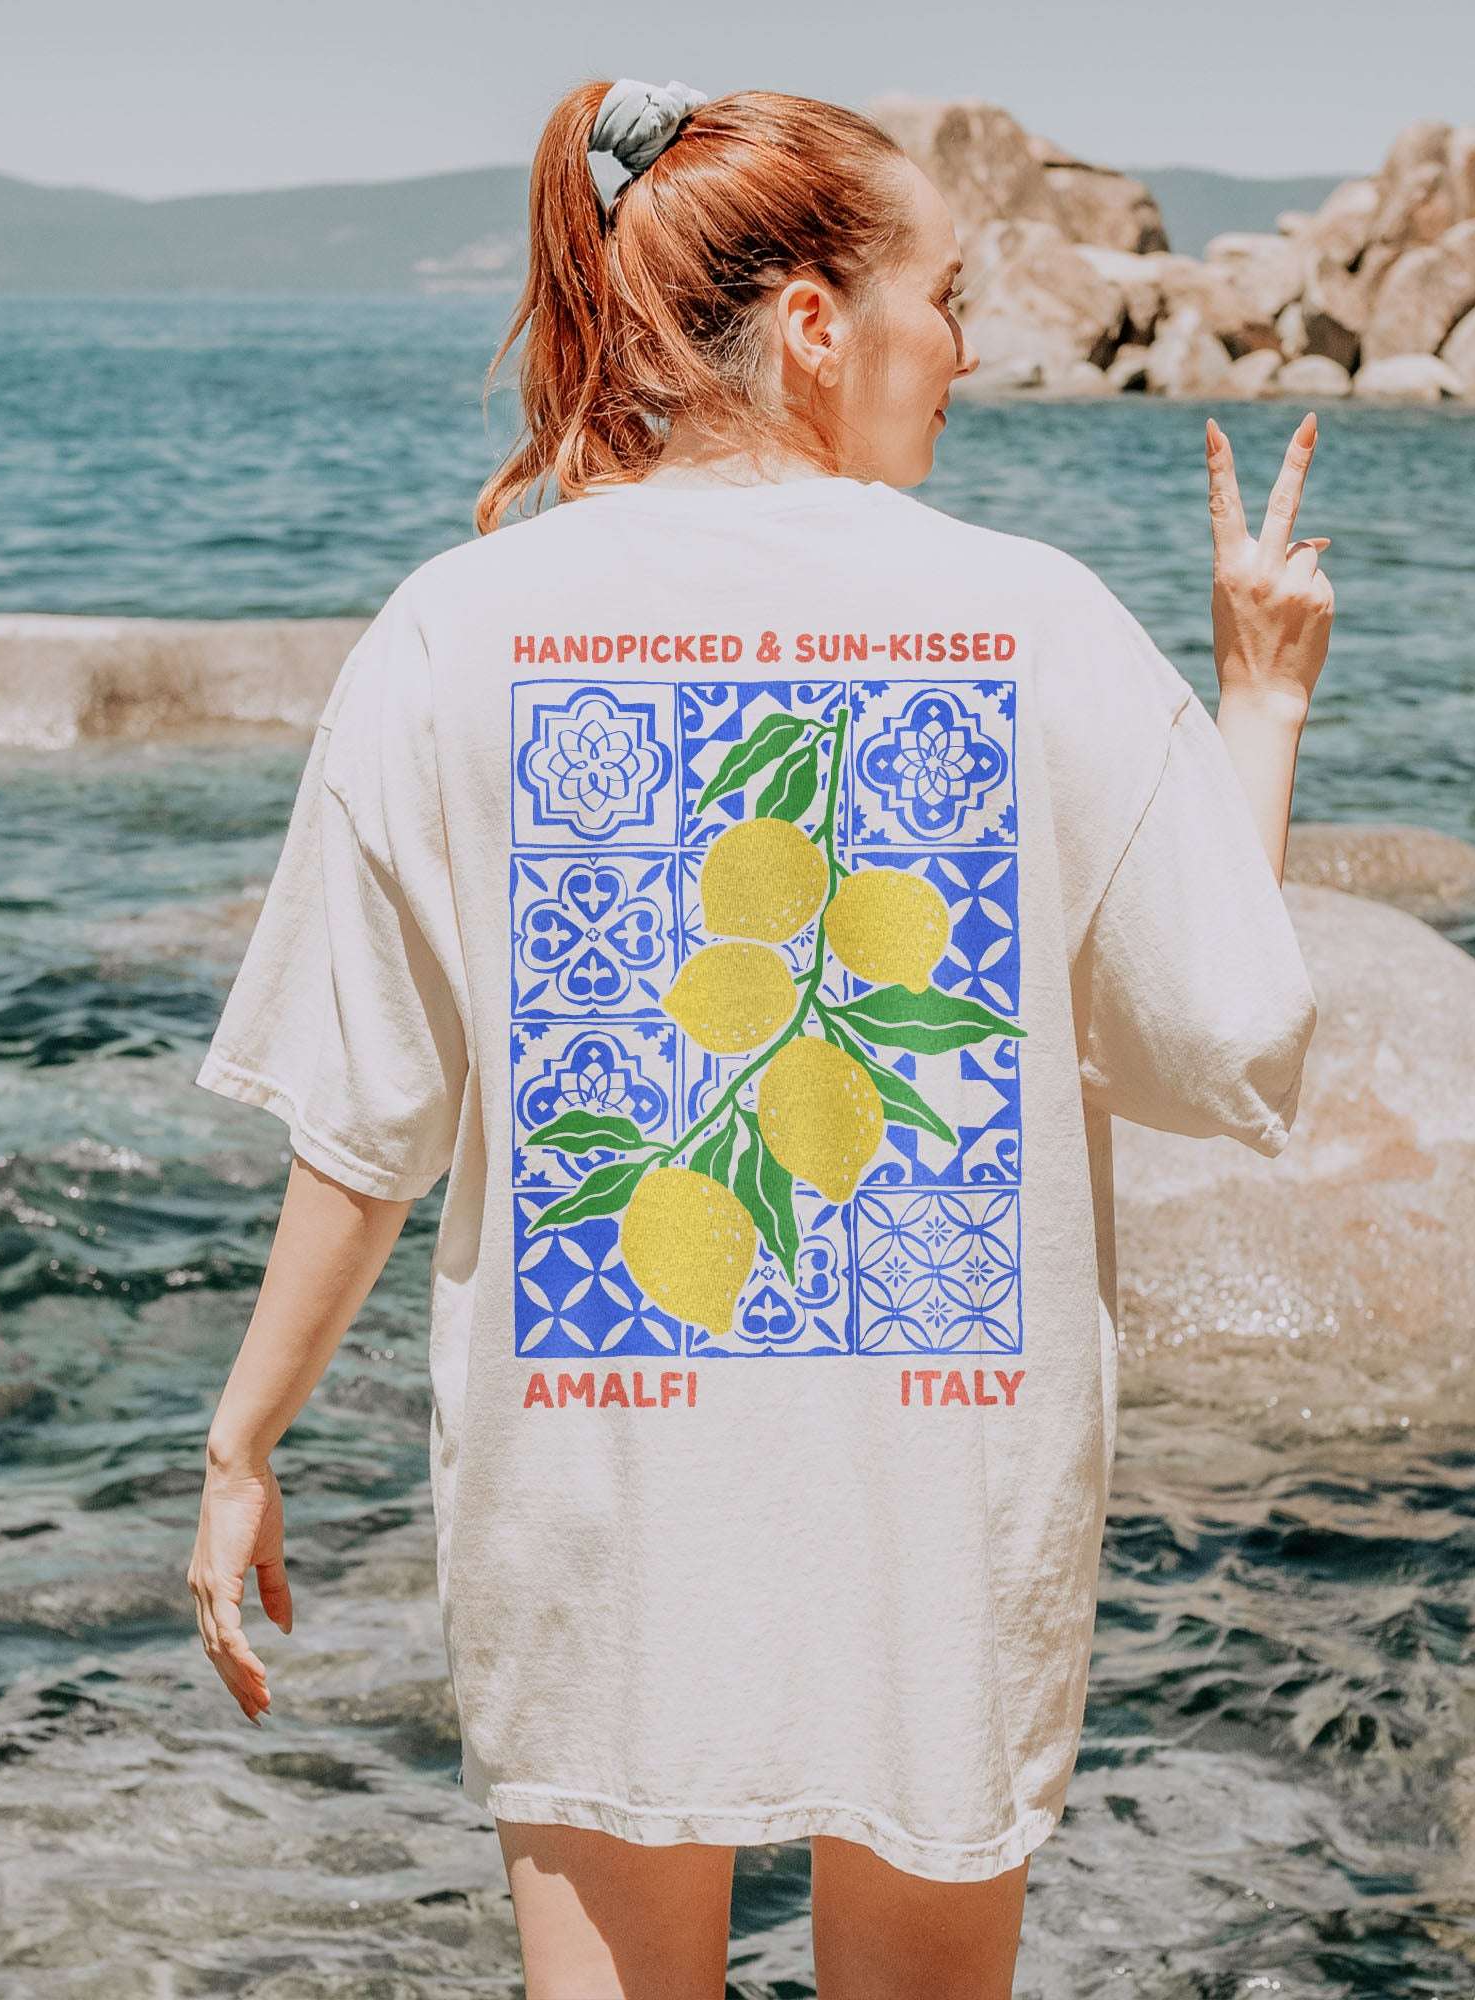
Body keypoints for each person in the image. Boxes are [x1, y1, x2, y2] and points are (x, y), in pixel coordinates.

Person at [187, 75, 1332, 2000]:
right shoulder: (1034, 621)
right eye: (947, 297)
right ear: (816, 325)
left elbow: (371, 1121)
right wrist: (1262, 701)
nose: (965, 349)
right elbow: (1223, 1041)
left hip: (603, 1488)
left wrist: (241, 1443)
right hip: (940, 1495)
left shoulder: (454, 632)